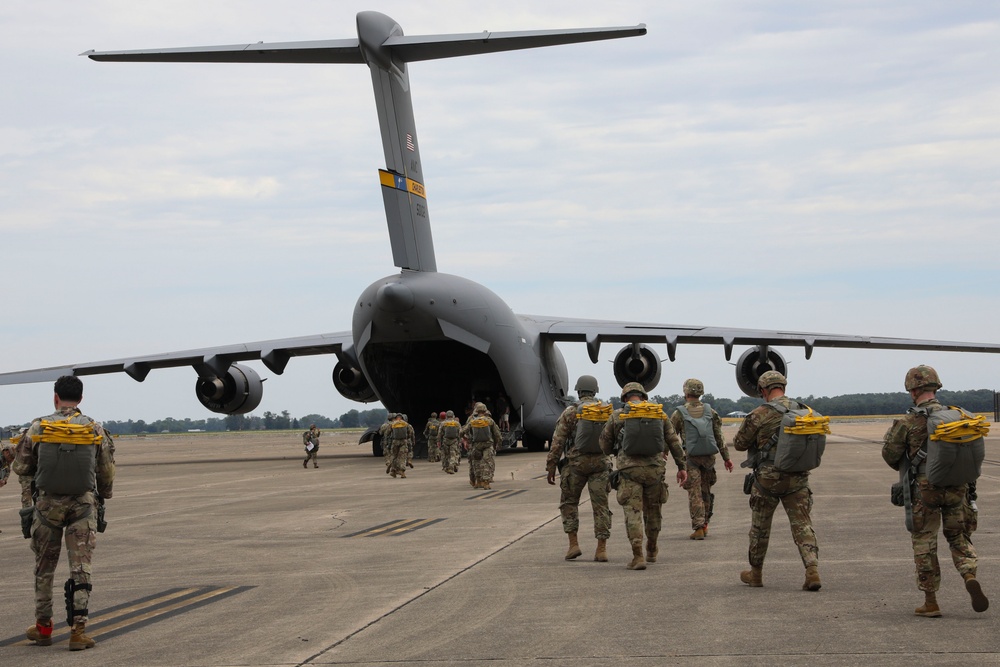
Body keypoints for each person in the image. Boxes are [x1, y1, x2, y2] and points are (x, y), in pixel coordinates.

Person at [13, 375, 115, 650]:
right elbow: (105, 472)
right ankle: (78, 632)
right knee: (81, 568)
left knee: (44, 568)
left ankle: (44, 627)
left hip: (47, 507)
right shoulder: (94, 429)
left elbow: (21, 467)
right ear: (81, 399)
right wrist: (103, 496)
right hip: (82, 507)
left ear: (55, 397)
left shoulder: (37, 427)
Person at [881, 365, 988, 617]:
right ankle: (969, 574)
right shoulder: (958, 416)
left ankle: (931, 601)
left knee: (924, 541)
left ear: (913, 390)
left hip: (925, 489)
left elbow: (890, 455)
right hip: (957, 486)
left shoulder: (908, 421)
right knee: (958, 537)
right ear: (936, 387)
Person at [733, 371, 821, 591]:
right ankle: (812, 571)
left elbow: (740, 443)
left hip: (768, 480)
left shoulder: (759, 413)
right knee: (803, 526)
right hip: (798, 477)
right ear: (783, 386)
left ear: (763, 390)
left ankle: (756, 574)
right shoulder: (803, 410)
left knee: (760, 528)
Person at [599, 382, 687, 570]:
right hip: (655, 470)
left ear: (624, 398)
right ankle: (652, 549)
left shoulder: (618, 415)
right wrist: (682, 466)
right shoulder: (658, 413)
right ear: (643, 396)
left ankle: (638, 556)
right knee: (654, 511)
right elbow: (673, 441)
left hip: (630, 472)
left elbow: (605, 444)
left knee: (633, 513)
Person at [546, 375, 613, 562]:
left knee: (569, 503)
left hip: (575, 465)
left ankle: (573, 544)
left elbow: (557, 441)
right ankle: (601, 549)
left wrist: (551, 465)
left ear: (578, 391)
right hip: (600, 464)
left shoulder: (570, 412)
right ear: (595, 391)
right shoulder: (604, 410)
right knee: (601, 507)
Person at [670, 378, 734, 540]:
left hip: (691, 458)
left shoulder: (679, 413)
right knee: (706, 492)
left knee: (695, 493)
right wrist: (727, 458)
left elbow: (670, 436)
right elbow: (719, 437)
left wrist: (666, 453)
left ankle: (698, 527)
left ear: (686, 392)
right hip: (709, 459)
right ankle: (705, 524)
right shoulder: (710, 412)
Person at [461, 403, 501, 489]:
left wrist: (465, 439)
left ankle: (478, 481)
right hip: (487, 444)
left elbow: (462, 432)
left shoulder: (472, 421)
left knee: (476, 463)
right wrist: (498, 444)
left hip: (476, 445)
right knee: (486, 463)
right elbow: (497, 434)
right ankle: (486, 482)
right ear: (485, 410)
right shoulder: (489, 421)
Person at [387, 413, 415, 478]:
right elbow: (410, 433)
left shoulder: (392, 424)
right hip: (403, 442)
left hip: (395, 442)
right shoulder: (406, 424)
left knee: (394, 456)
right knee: (402, 457)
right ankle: (402, 471)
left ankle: (393, 470)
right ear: (402, 418)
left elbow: (388, 433)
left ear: (396, 418)